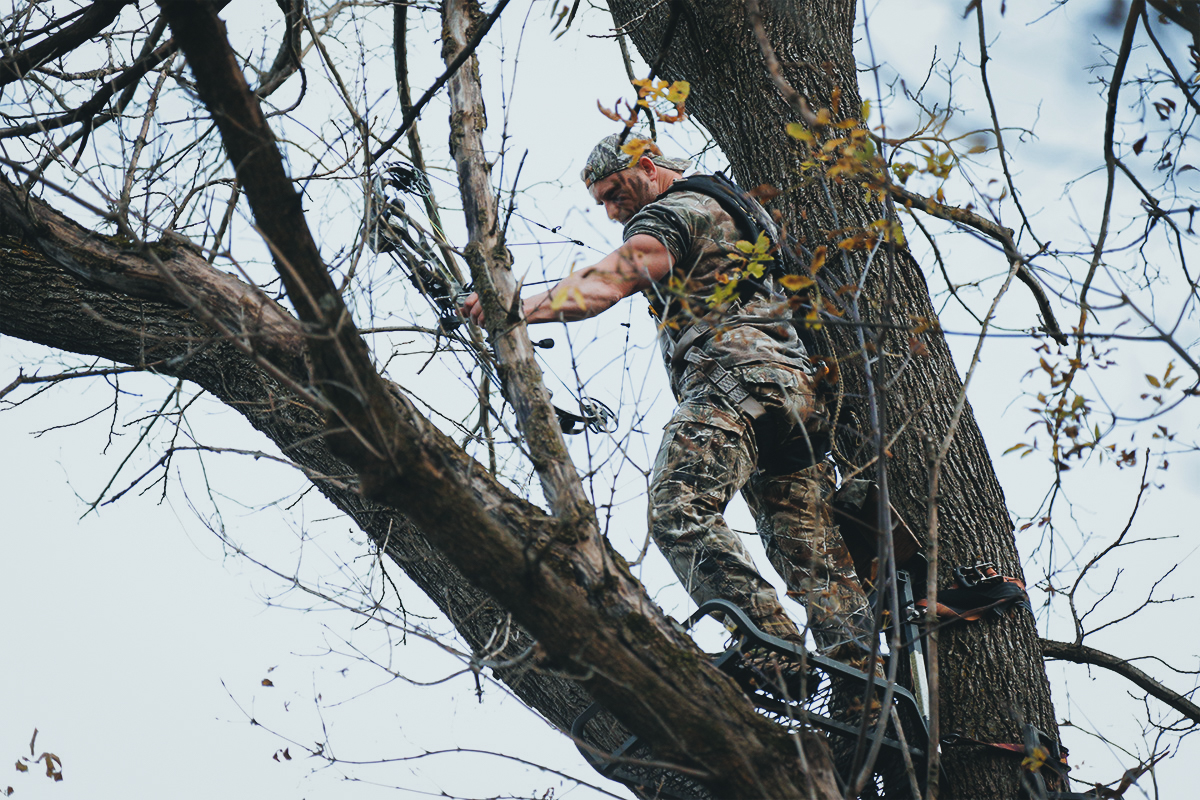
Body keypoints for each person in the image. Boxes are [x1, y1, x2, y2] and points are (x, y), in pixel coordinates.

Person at [462, 134, 875, 667]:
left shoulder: (678, 210)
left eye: (615, 192)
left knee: (677, 509)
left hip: (738, 386)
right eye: (603, 203)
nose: (613, 212)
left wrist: (509, 305)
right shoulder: (731, 208)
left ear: (648, 167)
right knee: (815, 561)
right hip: (794, 402)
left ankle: (773, 647)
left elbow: (607, 285)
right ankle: (865, 694)